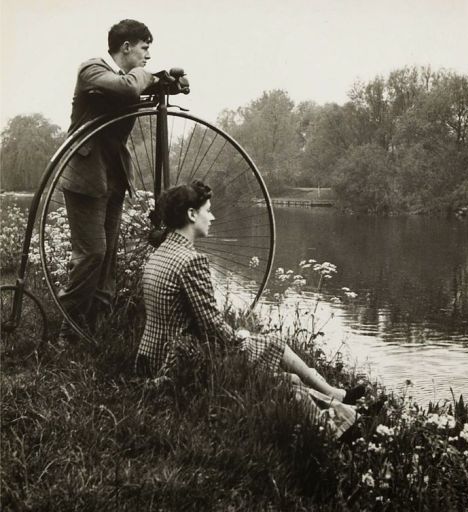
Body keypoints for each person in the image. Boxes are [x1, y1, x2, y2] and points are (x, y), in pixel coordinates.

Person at [136, 181, 366, 437]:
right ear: (191, 214)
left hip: (151, 358)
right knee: (276, 352)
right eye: (208, 210)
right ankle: (339, 422)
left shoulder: (160, 253)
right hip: (179, 365)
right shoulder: (192, 261)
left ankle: (342, 416)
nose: (211, 217)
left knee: (289, 380)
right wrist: (239, 338)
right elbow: (212, 326)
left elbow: (197, 320)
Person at [59, 19, 183, 341]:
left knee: (109, 251)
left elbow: (141, 86)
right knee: (93, 253)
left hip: (113, 175)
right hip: (85, 174)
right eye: (144, 49)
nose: (147, 57)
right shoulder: (92, 70)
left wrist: (170, 82)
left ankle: (97, 323)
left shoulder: (123, 76)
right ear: (126, 47)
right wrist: (150, 76)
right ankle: (67, 326)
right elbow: (129, 87)